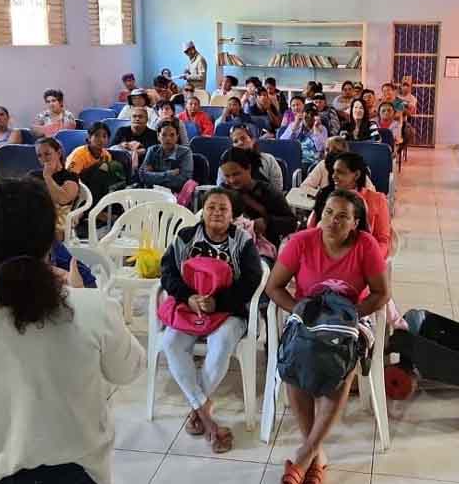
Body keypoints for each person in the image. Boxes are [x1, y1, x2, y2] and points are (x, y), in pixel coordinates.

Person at [0, 179, 143, 484]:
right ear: (49, 240)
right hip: (80, 472)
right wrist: (85, 298)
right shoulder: (92, 308)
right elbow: (129, 370)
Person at [265, 189, 390, 484]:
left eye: (342, 216)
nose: (333, 221)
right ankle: (315, 455)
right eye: (328, 214)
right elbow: (274, 287)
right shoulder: (301, 242)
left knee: (339, 363)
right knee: (296, 359)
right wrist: (301, 312)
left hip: (352, 317)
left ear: (355, 222)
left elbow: (382, 293)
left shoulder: (365, 245)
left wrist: (350, 317)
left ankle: (305, 456)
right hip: (308, 315)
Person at [159, 187, 263, 454]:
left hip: (228, 310)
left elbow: (251, 282)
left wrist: (219, 302)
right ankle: (206, 414)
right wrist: (188, 297)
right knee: (171, 342)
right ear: (202, 211)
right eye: (211, 207)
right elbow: (168, 272)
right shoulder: (186, 238)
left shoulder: (242, 242)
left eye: (223, 209)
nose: (216, 212)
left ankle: (197, 410)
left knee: (220, 347)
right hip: (189, 307)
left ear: (233, 215)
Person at [310, 152, 391, 259]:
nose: (333, 176)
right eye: (333, 171)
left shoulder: (377, 200)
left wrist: (371, 260)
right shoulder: (325, 195)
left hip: (363, 258)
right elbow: (312, 231)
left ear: (356, 175)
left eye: (340, 172)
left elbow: (382, 240)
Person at [220, 148, 296, 247]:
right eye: (227, 176)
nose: (232, 180)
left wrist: (266, 223)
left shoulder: (267, 192)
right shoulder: (224, 191)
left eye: (236, 174)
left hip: (263, 247)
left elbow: (291, 223)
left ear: (248, 168)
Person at [30, 137, 80, 240]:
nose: (43, 159)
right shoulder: (33, 175)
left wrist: (47, 177)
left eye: (47, 154)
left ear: (58, 153)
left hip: (57, 223)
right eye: (39, 156)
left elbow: (63, 199)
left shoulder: (70, 176)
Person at [66, 122, 125, 205]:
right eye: (96, 135)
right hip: (78, 188)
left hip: (97, 189)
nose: (101, 139)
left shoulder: (106, 155)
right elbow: (71, 178)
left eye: (104, 136)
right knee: (101, 167)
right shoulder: (79, 154)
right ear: (89, 138)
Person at [216, 125, 284, 191]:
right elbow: (221, 190)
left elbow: (277, 189)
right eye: (235, 141)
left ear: (253, 140)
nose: (240, 143)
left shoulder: (269, 160)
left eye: (243, 138)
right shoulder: (226, 163)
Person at [301, 136, 374, 194]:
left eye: (337, 150)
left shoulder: (354, 166)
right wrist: (321, 194)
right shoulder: (322, 165)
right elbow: (305, 186)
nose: (330, 153)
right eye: (327, 150)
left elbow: (372, 192)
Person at [138, 120, 193, 193]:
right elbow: (143, 176)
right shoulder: (152, 150)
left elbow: (183, 181)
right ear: (158, 136)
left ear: (177, 137)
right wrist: (169, 174)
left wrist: (153, 177)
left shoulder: (185, 152)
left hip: (175, 194)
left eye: (172, 135)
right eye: (164, 135)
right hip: (152, 193)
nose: (168, 138)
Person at [280, 102, 328, 171]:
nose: (309, 116)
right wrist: (295, 127)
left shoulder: (322, 129)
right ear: (302, 114)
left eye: (313, 114)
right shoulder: (294, 125)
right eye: (307, 113)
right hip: (295, 159)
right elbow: (282, 143)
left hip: (313, 162)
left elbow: (320, 148)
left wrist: (316, 131)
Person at [111, 106, 159, 171]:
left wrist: (129, 151)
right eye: (134, 116)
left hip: (144, 167)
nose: (137, 119)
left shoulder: (153, 134)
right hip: (121, 164)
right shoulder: (122, 131)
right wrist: (122, 146)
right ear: (130, 119)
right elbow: (112, 149)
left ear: (147, 119)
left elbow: (151, 153)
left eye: (140, 117)